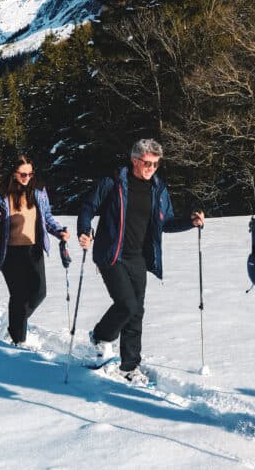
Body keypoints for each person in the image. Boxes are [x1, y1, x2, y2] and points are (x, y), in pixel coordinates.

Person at [77, 138, 204, 384]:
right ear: (135, 160)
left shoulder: (158, 188)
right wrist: (85, 229)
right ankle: (101, 335)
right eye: (147, 163)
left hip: (138, 257)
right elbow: (88, 206)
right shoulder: (113, 182)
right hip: (111, 253)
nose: (152, 169)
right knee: (126, 304)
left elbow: (166, 222)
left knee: (137, 313)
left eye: (156, 164)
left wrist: (190, 222)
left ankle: (129, 365)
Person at [0, 155, 70, 346]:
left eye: (30, 173)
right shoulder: (1, 194)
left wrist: (59, 232)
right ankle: (18, 340)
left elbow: (47, 217)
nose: (27, 177)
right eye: (23, 174)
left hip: (34, 249)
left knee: (39, 292)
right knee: (19, 294)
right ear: (14, 174)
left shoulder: (38, 191)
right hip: (9, 252)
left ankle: (16, 324)